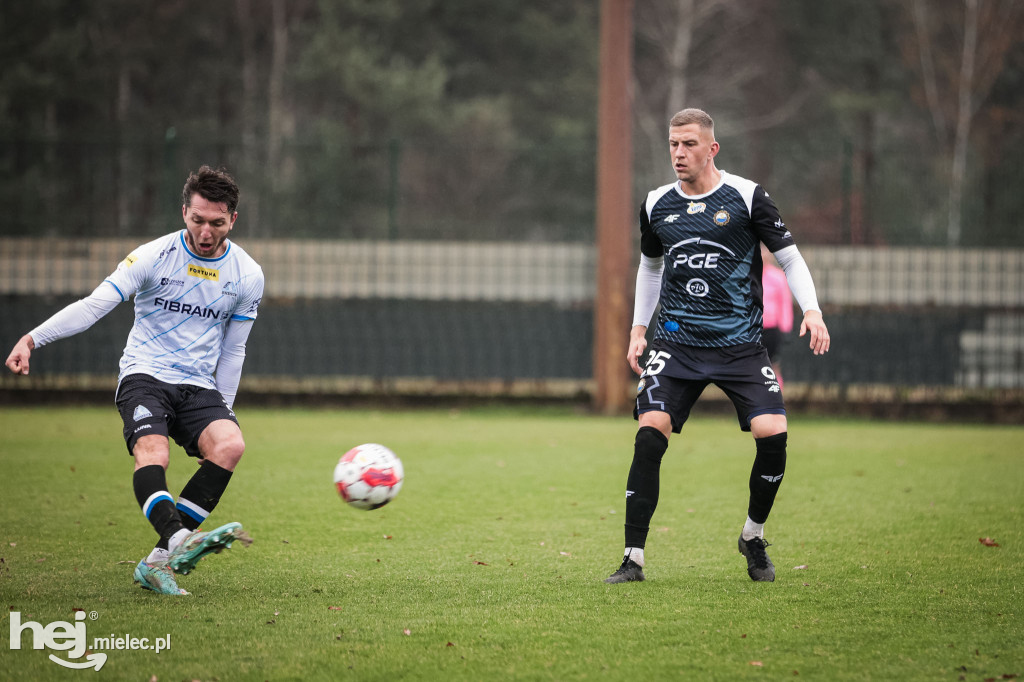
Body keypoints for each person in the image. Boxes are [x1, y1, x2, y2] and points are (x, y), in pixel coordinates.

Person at [5, 165, 264, 596]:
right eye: (197, 219)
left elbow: (234, 349)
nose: (205, 231)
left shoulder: (247, 274)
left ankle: (157, 562)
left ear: (232, 220)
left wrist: (227, 412)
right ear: (184, 212)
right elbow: (93, 306)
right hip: (145, 374)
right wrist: (33, 339)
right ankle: (179, 539)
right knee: (153, 451)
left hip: (198, 384)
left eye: (216, 223)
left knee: (230, 444)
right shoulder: (152, 256)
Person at [605, 109, 830, 584]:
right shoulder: (656, 204)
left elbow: (790, 260)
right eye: (673, 144)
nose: (679, 153)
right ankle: (632, 559)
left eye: (688, 144)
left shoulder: (747, 197)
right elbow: (649, 267)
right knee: (650, 434)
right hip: (676, 344)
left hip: (741, 346)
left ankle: (753, 536)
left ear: (712, 149)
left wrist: (811, 310)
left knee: (774, 436)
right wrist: (638, 328)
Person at [760, 244, 794, 390]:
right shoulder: (747, 275)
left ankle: (776, 396)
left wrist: (785, 328)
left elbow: (785, 303)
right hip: (752, 328)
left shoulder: (778, 277)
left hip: (772, 328)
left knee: (773, 364)